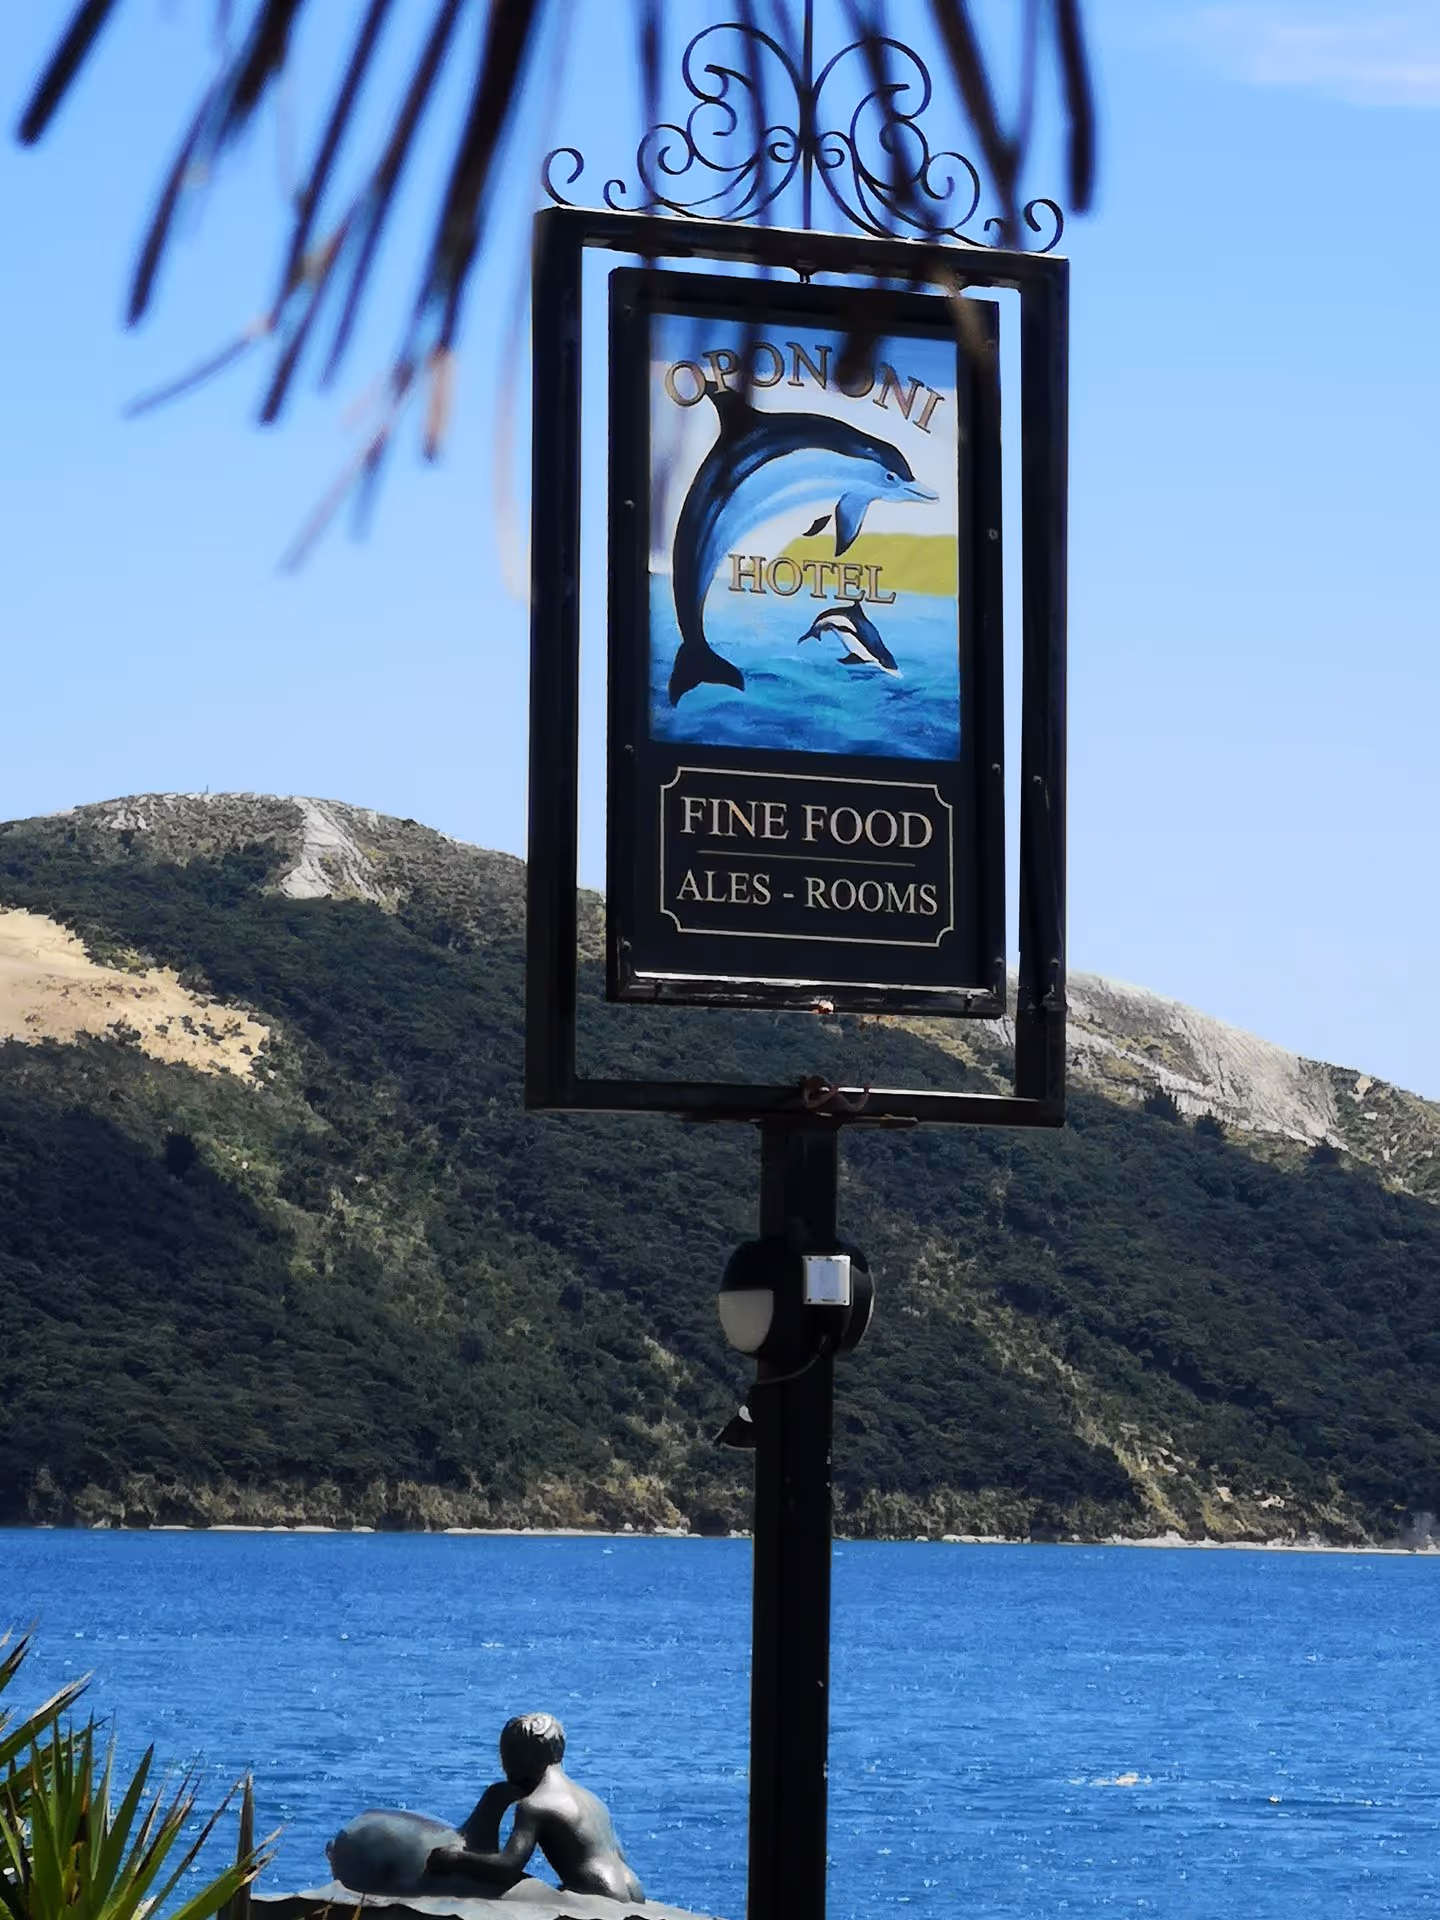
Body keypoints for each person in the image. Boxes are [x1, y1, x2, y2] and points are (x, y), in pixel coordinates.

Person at [426, 1712, 645, 1903]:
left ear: (519, 1759)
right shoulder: (594, 1801)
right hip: (633, 1890)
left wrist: (456, 1859)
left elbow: (506, 1867)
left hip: (601, 1897)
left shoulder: (535, 1805)